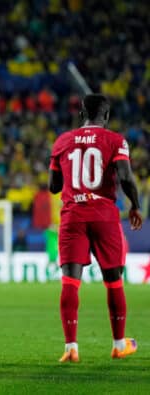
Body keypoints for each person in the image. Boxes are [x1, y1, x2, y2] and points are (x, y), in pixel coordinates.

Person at [48, 94, 143, 363]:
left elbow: (53, 187)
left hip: (73, 215)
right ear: (107, 117)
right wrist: (135, 205)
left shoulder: (62, 141)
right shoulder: (116, 141)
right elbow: (125, 176)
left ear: (81, 115)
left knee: (70, 281)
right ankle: (118, 344)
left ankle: (70, 348)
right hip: (103, 214)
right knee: (113, 281)